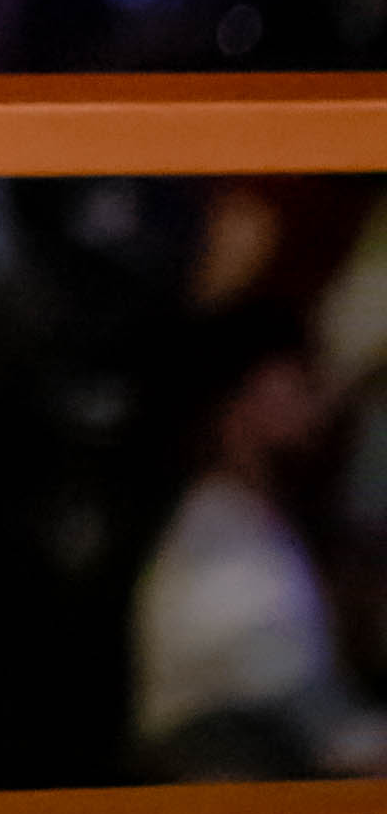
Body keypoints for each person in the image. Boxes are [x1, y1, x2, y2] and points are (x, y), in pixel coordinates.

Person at [132, 306, 387, 779]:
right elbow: (298, 708)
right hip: (232, 789)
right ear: (242, 398)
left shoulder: (260, 525)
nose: (320, 408)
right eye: (300, 383)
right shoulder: (220, 541)